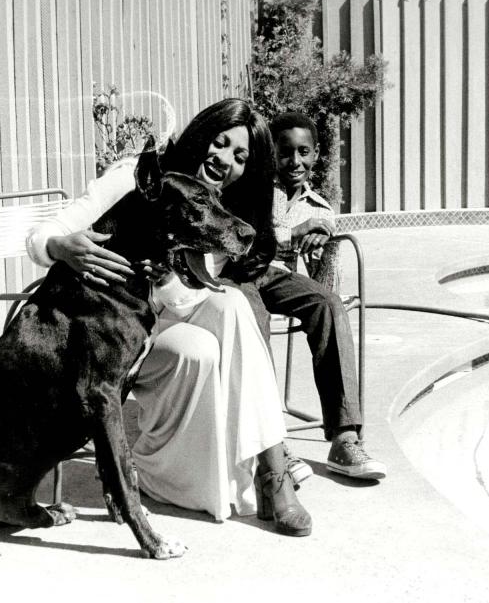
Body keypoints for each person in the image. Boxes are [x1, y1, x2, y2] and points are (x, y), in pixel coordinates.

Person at [25, 98, 310, 537]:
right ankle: (240, 472)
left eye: (240, 158)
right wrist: (61, 247)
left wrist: (168, 278)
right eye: (220, 142)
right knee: (200, 345)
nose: (224, 161)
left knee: (231, 305)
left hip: (164, 317)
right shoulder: (137, 178)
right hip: (111, 333)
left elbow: (190, 292)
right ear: (201, 134)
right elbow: (42, 234)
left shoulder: (215, 204)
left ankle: (271, 471)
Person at [234, 111, 387, 482]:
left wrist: (323, 248)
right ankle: (272, 442)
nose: (295, 161)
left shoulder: (320, 207)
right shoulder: (249, 187)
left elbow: (324, 275)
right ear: (271, 154)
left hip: (280, 279)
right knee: (252, 315)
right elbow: (243, 237)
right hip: (239, 273)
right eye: (285, 153)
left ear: (316, 154)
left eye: (304, 152)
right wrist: (293, 233)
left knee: (328, 305)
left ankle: (344, 438)